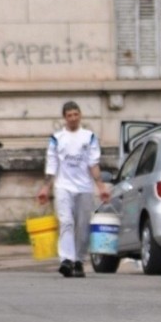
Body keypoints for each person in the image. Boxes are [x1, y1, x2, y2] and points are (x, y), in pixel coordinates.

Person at [36, 101, 110, 278]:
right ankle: (66, 259)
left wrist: (101, 187)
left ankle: (79, 261)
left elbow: (93, 163)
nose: (73, 118)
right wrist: (45, 188)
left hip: (84, 187)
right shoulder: (57, 138)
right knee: (66, 222)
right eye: (69, 116)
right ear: (65, 118)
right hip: (63, 187)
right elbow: (52, 165)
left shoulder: (89, 137)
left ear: (80, 115)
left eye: (76, 115)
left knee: (83, 225)